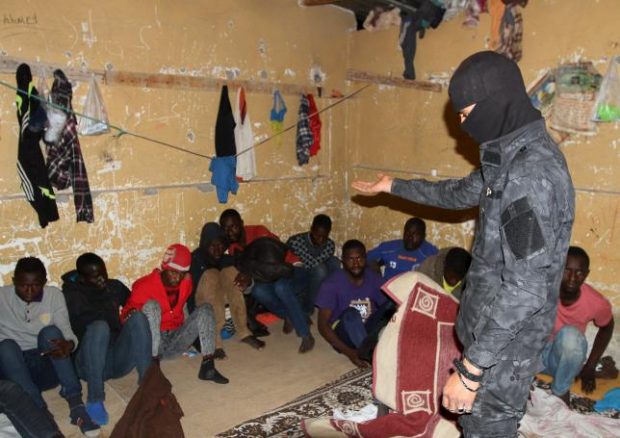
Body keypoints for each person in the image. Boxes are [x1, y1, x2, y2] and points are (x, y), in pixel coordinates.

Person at [352, 51, 575, 437]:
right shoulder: (508, 156)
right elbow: (459, 192)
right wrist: (393, 187)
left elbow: (525, 289)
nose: (460, 122)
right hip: (490, 332)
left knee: (485, 428)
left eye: (465, 112)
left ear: (495, 102)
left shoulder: (527, 174)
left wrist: (470, 373)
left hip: (502, 349)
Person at [0, 257, 100, 437]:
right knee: (5, 347)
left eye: (36, 285)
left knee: (51, 332)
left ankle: (76, 406)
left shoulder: (53, 295)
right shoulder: (1, 297)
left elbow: (67, 332)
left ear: (44, 282)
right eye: (23, 285)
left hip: (45, 362)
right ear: (14, 281)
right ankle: (40, 413)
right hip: (15, 370)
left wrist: (68, 345)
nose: (29, 291)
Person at [62, 253, 152, 425]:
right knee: (99, 326)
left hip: (116, 360)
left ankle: (148, 386)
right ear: (82, 278)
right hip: (89, 364)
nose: (102, 279)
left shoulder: (114, 287)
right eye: (95, 278)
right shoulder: (71, 295)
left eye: (103, 273)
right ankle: (95, 399)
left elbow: (134, 301)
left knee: (139, 317)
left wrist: (131, 311)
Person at [121, 244, 228, 384]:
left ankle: (208, 367)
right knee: (152, 306)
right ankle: (152, 368)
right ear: (164, 267)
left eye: (182, 273)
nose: (177, 278)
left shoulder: (186, 282)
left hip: (175, 341)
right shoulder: (143, 286)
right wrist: (133, 313)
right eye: (173, 272)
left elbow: (185, 306)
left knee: (206, 309)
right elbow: (125, 318)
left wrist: (194, 330)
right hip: (153, 343)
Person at [220, 209, 315, 353]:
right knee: (258, 291)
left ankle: (306, 334)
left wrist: (248, 272)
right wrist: (247, 274)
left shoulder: (259, 231)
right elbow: (259, 272)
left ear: (241, 223)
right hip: (271, 278)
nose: (230, 231)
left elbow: (274, 266)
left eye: (233, 226)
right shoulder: (233, 248)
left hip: (294, 270)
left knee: (281, 287)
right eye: (226, 228)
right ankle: (293, 315)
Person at [542, 246, 615, 405]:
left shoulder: (596, 302)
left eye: (579, 272)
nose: (572, 278)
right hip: (535, 358)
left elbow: (607, 327)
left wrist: (590, 366)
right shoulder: (544, 289)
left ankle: (560, 390)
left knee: (571, 336)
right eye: (567, 270)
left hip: (561, 361)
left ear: (586, 274)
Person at [193, 222, 265, 359]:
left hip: (222, 301)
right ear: (205, 244)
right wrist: (195, 335)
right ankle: (215, 343)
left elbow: (247, 286)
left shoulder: (226, 259)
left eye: (220, 245)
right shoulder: (196, 260)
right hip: (202, 309)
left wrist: (247, 278)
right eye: (212, 245)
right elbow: (191, 297)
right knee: (211, 275)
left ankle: (244, 332)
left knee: (232, 271)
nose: (217, 250)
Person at [316, 240, 391, 368]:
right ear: (343, 261)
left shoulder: (374, 278)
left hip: (367, 330)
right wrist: (349, 353)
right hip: (343, 334)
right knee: (351, 314)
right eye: (350, 259)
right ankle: (371, 355)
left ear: (365, 259)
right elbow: (322, 326)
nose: (356, 263)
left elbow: (385, 309)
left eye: (359, 258)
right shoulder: (331, 285)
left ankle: (378, 348)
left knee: (392, 303)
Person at [286, 214, 340, 315]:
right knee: (320, 270)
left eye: (324, 236)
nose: (320, 240)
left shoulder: (329, 244)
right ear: (311, 229)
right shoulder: (296, 241)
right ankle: (307, 308)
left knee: (335, 263)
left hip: (317, 276)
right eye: (317, 235)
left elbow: (315, 263)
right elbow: (306, 264)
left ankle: (328, 303)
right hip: (299, 275)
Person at [366, 217, 438, 280]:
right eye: (407, 232)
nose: (410, 237)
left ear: (423, 236)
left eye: (415, 234)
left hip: (414, 292)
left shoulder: (430, 253)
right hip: (388, 290)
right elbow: (365, 258)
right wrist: (377, 275)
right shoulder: (391, 247)